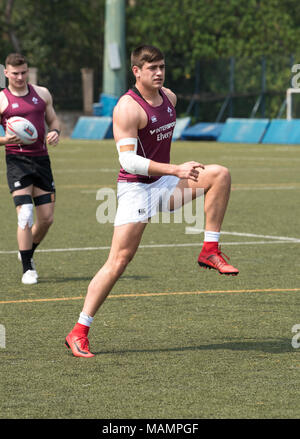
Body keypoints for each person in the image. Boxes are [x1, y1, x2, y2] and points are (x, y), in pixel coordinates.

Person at [65, 45, 239, 358]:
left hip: (165, 184)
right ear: (136, 71)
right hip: (136, 189)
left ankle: (209, 250)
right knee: (119, 261)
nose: (158, 72)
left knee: (219, 175)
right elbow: (129, 162)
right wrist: (176, 169)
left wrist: (173, 173)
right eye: (151, 68)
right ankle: (79, 330)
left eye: (161, 66)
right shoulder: (127, 108)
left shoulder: (169, 97)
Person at [0, 53, 60, 285]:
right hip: (17, 161)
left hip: (42, 161)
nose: (20, 77)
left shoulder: (42, 94)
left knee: (46, 219)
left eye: (23, 72)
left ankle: (27, 250)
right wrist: (5, 140)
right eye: (15, 73)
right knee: (25, 213)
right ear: (6, 73)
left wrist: (55, 132)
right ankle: (27, 268)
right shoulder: (2, 99)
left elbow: (53, 120)